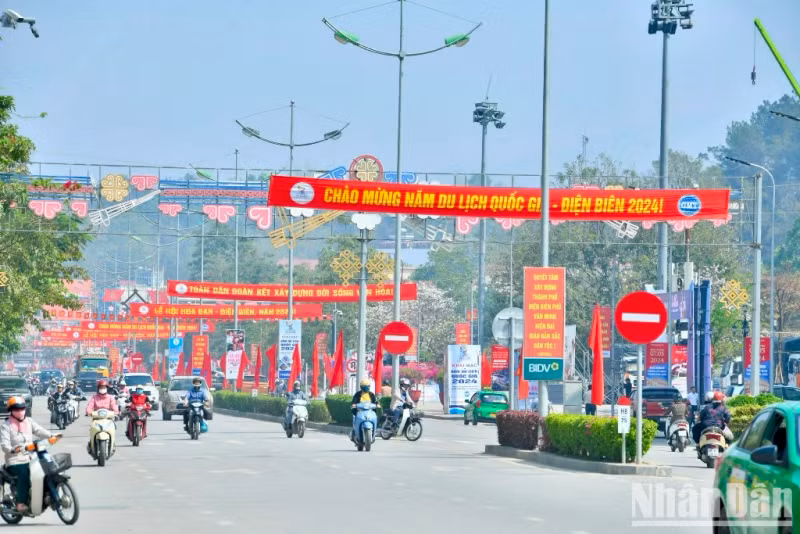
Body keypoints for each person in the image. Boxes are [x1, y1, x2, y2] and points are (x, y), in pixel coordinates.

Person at [0, 397, 58, 513]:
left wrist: (52, 435)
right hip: (15, 460)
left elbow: (39, 431)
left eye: (22, 408)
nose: (20, 411)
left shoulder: (29, 421)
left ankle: (48, 496)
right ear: (11, 410)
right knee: (24, 473)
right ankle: (20, 502)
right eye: (16, 409)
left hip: (31, 456)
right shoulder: (6, 425)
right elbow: (4, 445)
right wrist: (13, 449)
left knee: (47, 469)